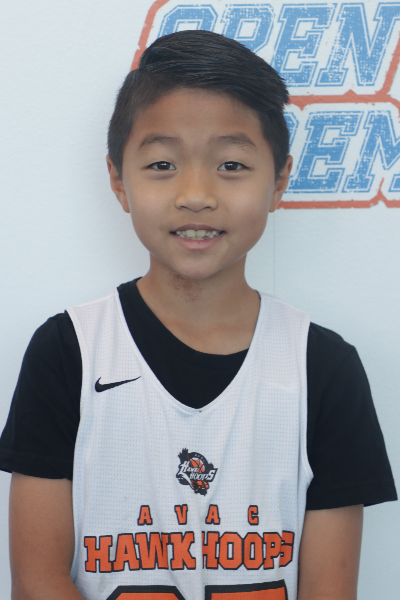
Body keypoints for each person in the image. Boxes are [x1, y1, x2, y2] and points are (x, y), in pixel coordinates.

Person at [0, 30, 396, 600]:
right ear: (118, 180)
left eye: (231, 164)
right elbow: (37, 582)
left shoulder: (323, 368)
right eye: (162, 163)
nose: (196, 194)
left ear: (279, 181)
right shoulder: (69, 352)